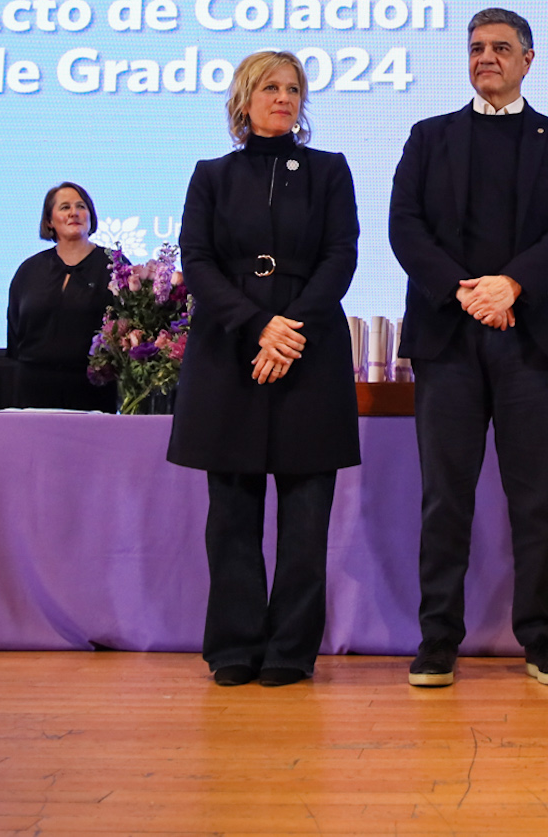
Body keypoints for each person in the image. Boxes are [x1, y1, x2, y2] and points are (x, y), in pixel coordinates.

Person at [388, 7, 548, 688]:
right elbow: (405, 228)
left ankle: (541, 639)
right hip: (448, 340)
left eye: (501, 47)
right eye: (476, 46)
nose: (487, 57)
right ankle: (437, 641)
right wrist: (464, 291)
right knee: (444, 498)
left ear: (528, 59)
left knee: (534, 499)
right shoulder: (428, 136)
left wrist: (511, 285)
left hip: (535, 341)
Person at [168, 50, 360, 688]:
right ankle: (234, 645)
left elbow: (340, 257)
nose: (284, 97)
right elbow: (197, 262)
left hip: (309, 355)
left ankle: (290, 650)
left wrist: (288, 332)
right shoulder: (211, 175)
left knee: (307, 520)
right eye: (271, 87)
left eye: (294, 88)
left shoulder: (329, 171)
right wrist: (258, 327)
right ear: (244, 99)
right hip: (230, 355)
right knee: (231, 517)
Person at [6, 181, 116, 412]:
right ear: (49, 221)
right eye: (65, 207)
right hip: (33, 387)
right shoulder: (29, 270)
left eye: (81, 206)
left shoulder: (114, 266)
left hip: (93, 389)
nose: (74, 213)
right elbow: (16, 332)